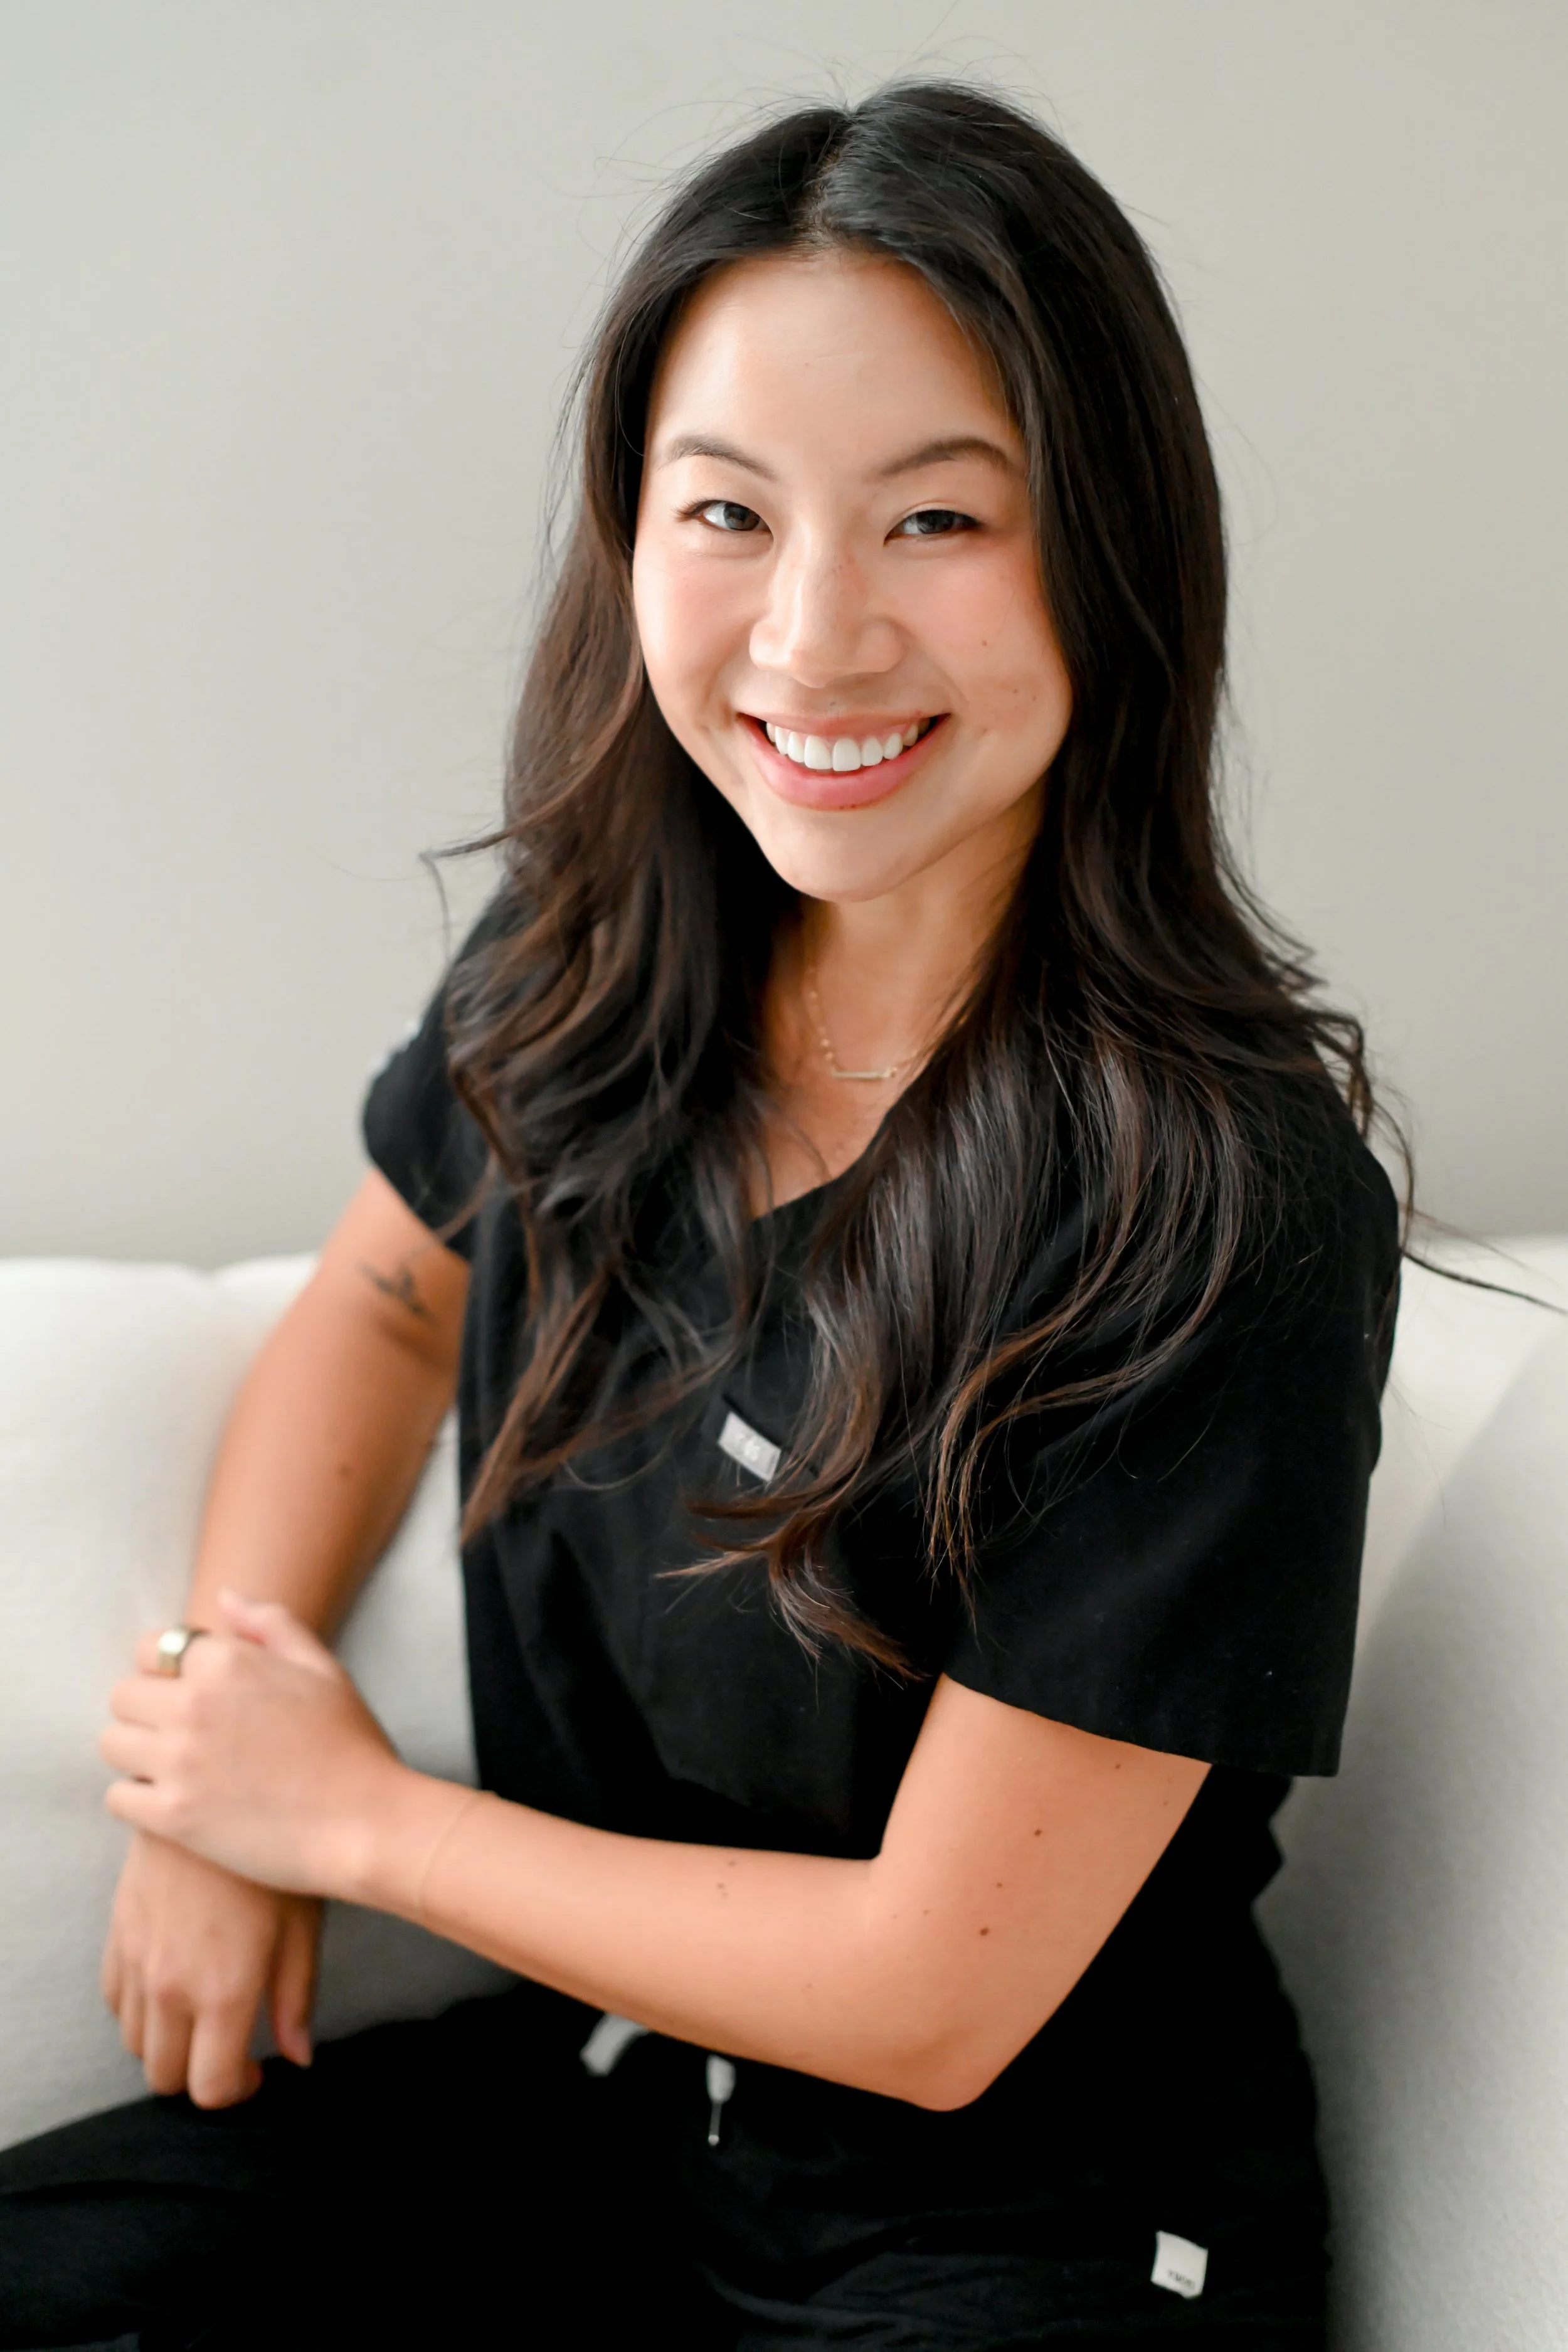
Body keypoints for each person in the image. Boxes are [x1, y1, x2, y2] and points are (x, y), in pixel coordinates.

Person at [0, 80, 1401, 2352]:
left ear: (1112, 555)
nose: (816, 635)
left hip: (1022, 2238)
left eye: (937, 517)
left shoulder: (1215, 1205)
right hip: (625, 2133)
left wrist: (339, 1822)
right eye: (727, 513)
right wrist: (207, 1730)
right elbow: (372, 1313)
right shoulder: (597, 965)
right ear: (627, 543)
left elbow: (933, 1994)